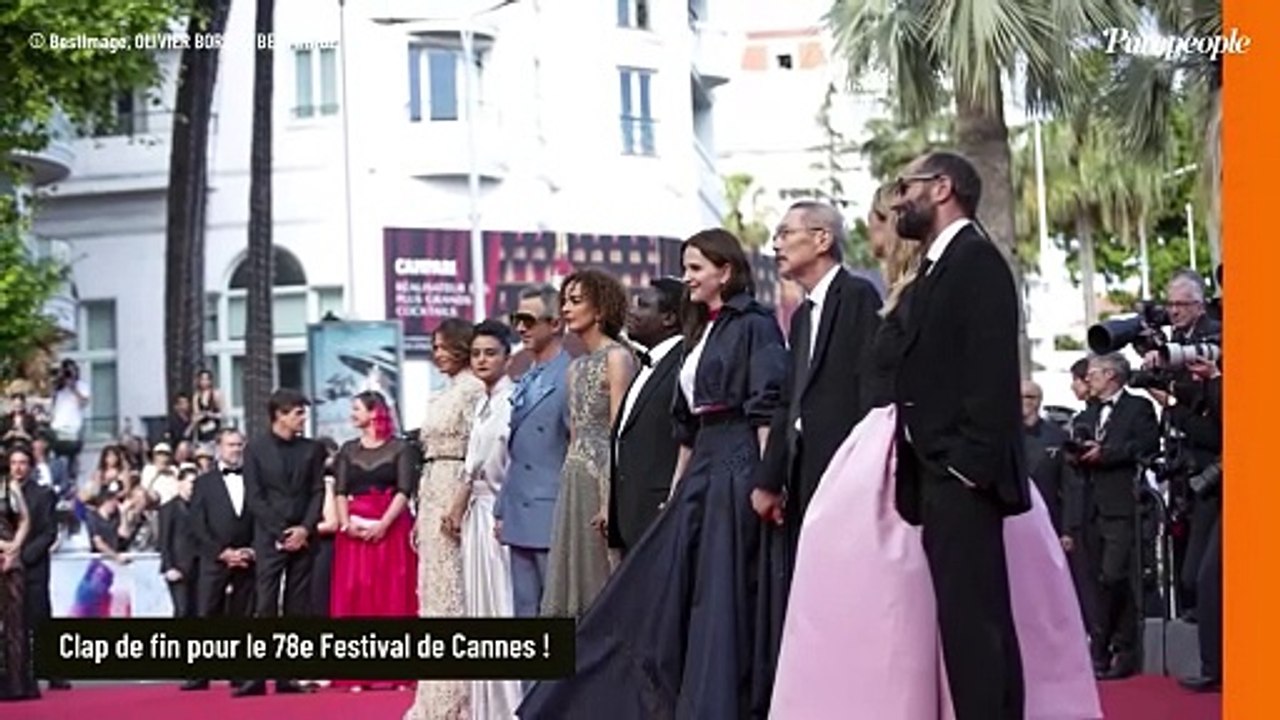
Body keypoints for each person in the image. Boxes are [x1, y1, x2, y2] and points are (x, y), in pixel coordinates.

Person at [769, 182, 1100, 719]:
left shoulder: (905, 287)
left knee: (950, 613)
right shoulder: (898, 291)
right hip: (892, 463)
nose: (877, 234)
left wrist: (961, 463)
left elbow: (971, 375)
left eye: (883, 221)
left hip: (927, 464)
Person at [517, 228, 789, 719]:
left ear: (724, 271)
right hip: (700, 470)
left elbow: (766, 408)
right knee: (650, 593)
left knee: (723, 594)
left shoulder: (755, 324)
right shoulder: (703, 332)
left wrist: (768, 481)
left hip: (736, 468)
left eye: (696, 269)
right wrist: (678, 491)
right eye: (685, 269)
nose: (687, 278)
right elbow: (686, 424)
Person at [890, 152, 1028, 719]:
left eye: (907, 186)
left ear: (942, 187)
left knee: (977, 628)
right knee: (963, 624)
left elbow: (991, 372)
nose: (899, 198)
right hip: (937, 476)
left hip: (962, 478)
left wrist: (966, 467)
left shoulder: (976, 262)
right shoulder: (934, 268)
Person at [752, 198, 883, 570]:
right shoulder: (801, 318)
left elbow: (873, 391)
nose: (776, 244)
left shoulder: (858, 296)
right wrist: (769, 479)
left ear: (822, 238)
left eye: (785, 233)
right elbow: (788, 402)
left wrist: (863, 469)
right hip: (803, 471)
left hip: (848, 472)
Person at [542, 269, 635, 618]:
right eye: (564, 300)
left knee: (602, 581)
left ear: (600, 310)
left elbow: (620, 433)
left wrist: (612, 501)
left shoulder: (618, 358)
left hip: (602, 480)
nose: (566, 308)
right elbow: (576, 434)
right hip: (575, 478)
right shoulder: (575, 367)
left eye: (576, 301)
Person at [406, 319, 487, 720]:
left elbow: (478, 450)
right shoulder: (445, 391)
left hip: (456, 486)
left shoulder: (473, 390)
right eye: (433, 347)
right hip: (432, 484)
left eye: (442, 346)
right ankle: (434, 697)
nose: (436, 353)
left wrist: (458, 500)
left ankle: (459, 700)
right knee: (434, 595)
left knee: (455, 594)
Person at [239, 389, 326, 697]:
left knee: (296, 607)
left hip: (304, 538)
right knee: (264, 607)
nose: (303, 418)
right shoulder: (255, 449)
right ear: (280, 414)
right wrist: (280, 532)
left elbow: (318, 491)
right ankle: (257, 677)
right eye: (298, 413)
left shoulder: (313, 449)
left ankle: (288, 677)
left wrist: (304, 529)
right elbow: (254, 496)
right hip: (268, 537)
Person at [458, 320, 524, 717]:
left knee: (502, 605)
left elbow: (511, 462)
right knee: (480, 610)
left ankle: (511, 707)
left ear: (507, 356)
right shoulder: (482, 403)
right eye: (476, 354)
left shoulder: (511, 400)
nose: (482, 360)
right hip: (474, 517)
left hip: (498, 513)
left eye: (490, 353)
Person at [495, 285, 572, 621]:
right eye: (516, 319)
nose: (521, 327)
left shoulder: (571, 375)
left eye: (528, 319)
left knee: (555, 611)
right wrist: (501, 507)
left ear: (555, 323)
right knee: (524, 611)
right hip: (519, 508)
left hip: (554, 509)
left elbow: (581, 449)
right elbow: (516, 451)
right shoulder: (525, 378)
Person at [332, 391, 416, 692]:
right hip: (353, 533)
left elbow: (404, 490)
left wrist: (384, 524)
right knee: (356, 595)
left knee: (394, 594)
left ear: (374, 412)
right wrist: (344, 524)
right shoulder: (347, 450)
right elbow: (339, 491)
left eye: (356, 408)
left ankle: (399, 671)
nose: (351, 414)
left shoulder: (400, 449)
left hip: (391, 529)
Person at [608, 278, 684, 555]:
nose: (632, 310)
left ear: (669, 318)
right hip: (632, 515)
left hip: (660, 513)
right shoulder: (648, 364)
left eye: (643, 305)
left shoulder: (683, 363)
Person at [184, 429, 255, 692]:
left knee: (241, 616)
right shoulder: (204, 483)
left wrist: (249, 550)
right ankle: (200, 673)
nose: (235, 449)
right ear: (219, 448)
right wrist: (221, 552)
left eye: (239, 444)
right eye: (230, 445)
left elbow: (261, 518)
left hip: (247, 558)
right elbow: (197, 525)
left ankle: (238, 673)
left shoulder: (254, 480)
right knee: (207, 615)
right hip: (213, 560)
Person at [18, 443, 64, 692]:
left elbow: (48, 532)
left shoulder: (42, 494)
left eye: (22, 463)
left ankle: (55, 672)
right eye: (13, 463)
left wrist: (23, 556)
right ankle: (20, 673)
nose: (17, 468)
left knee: (40, 618)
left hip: (33, 566)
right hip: (7, 568)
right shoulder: (4, 494)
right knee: (15, 622)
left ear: (31, 467)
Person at [0, 446, 38, 701]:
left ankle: (16, 683)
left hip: (10, 561)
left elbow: (25, 519)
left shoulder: (8, 486)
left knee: (15, 624)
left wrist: (15, 545)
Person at [158, 465, 200, 619]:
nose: (194, 487)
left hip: (198, 567)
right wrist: (169, 566)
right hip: (178, 566)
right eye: (191, 482)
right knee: (182, 609)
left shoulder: (200, 507)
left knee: (196, 610)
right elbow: (164, 539)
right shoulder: (169, 508)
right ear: (180, 483)